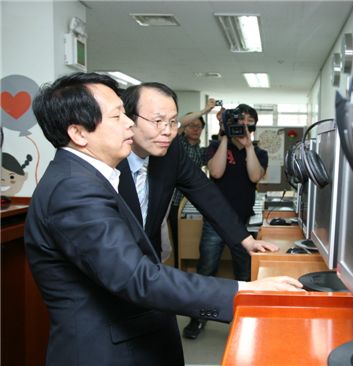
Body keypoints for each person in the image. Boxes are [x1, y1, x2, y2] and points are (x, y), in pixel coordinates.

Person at [25, 72, 303, 366]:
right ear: (79, 133)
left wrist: (243, 240)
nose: (129, 124)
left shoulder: (91, 177)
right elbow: (135, 277)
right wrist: (244, 291)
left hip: (141, 322)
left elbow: (203, 191)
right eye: (118, 115)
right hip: (108, 347)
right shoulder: (75, 190)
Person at [116, 83, 278, 263]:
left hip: (148, 261)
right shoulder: (105, 158)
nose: (168, 131)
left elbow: (204, 191)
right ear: (127, 119)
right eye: (158, 121)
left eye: (172, 122)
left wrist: (246, 240)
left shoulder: (171, 151)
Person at [184, 104, 266, 339]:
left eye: (247, 122)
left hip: (243, 223)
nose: (242, 126)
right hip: (215, 221)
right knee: (206, 269)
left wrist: (248, 146)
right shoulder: (215, 146)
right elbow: (216, 173)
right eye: (239, 122)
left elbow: (254, 176)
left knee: (243, 273)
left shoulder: (258, 152)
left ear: (253, 125)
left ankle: (244, 319)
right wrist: (223, 138)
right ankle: (197, 318)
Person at [168, 112, 208, 267]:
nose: (195, 129)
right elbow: (178, 124)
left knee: (190, 236)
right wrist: (205, 110)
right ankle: (177, 266)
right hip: (174, 200)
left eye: (199, 126)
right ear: (185, 128)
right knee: (176, 238)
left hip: (191, 202)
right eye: (191, 125)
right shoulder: (177, 143)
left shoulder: (201, 151)